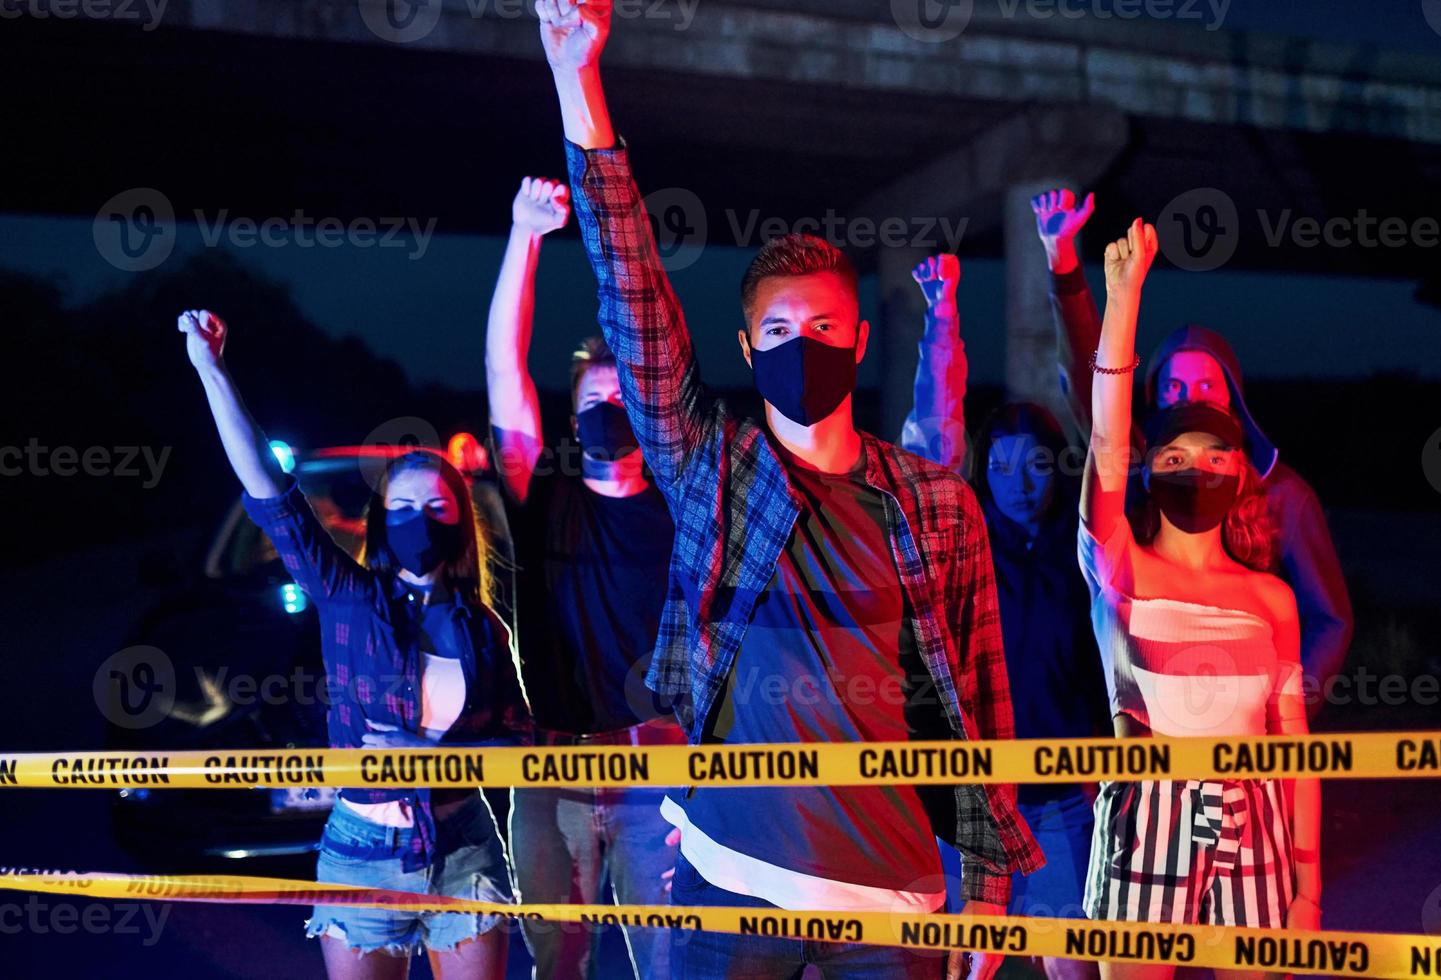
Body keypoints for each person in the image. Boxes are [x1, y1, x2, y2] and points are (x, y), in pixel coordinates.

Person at [536, 4, 1042, 978]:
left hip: (895, 903)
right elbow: (631, 289)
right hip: (730, 884)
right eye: (775, 332)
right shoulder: (713, 472)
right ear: (743, 349)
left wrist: (988, 875)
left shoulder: (935, 504)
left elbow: (980, 697)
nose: (797, 346)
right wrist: (579, 81)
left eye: (820, 329)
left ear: (857, 340)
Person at [177, 309, 530, 980]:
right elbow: (271, 496)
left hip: (465, 849)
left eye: (435, 510)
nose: (417, 522)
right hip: (362, 848)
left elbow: (519, 745)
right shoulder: (349, 598)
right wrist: (212, 371)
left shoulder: (485, 629)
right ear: (378, 519)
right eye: (401, 509)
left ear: (460, 524)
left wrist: (434, 757)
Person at [1079, 221, 1321, 978]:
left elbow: (1299, 756)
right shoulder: (1120, 570)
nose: (1198, 468)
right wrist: (1123, 300)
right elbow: (1106, 441)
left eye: (1217, 456)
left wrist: (1308, 888)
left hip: (1260, 823)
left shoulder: (1270, 598)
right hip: (1147, 814)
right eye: (1176, 455)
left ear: (1242, 474)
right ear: (1148, 472)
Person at [1032, 189, 1353, 713]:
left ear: (1233, 397)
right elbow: (1098, 393)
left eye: (1206, 388)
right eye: (1174, 390)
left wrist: (1286, 712)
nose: (1191, 402)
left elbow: (1330, 619)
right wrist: (1064, 264)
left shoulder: (1284, 492)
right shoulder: (1137, 473)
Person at [484, 175, 681, 980]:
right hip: (551, 761)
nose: (609, 411)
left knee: (668, 960)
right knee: (555, 961)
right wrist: (524, 237)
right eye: (595, 400)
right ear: (573, 420)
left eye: (622, 398)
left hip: (657, 760)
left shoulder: (679, 503)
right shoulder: (542, 498)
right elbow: (505, 369)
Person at [904, 255, 1108, 980]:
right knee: (960, 969)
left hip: (1061, 801)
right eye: (999, 465)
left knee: (1072, 969)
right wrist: (942, 317)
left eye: (1036, 466)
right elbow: (932, 429)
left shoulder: (1086, 557)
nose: (1016, 482)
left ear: (1060, 467)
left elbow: (1104, 421)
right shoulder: (961, 545)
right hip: (970, 799)